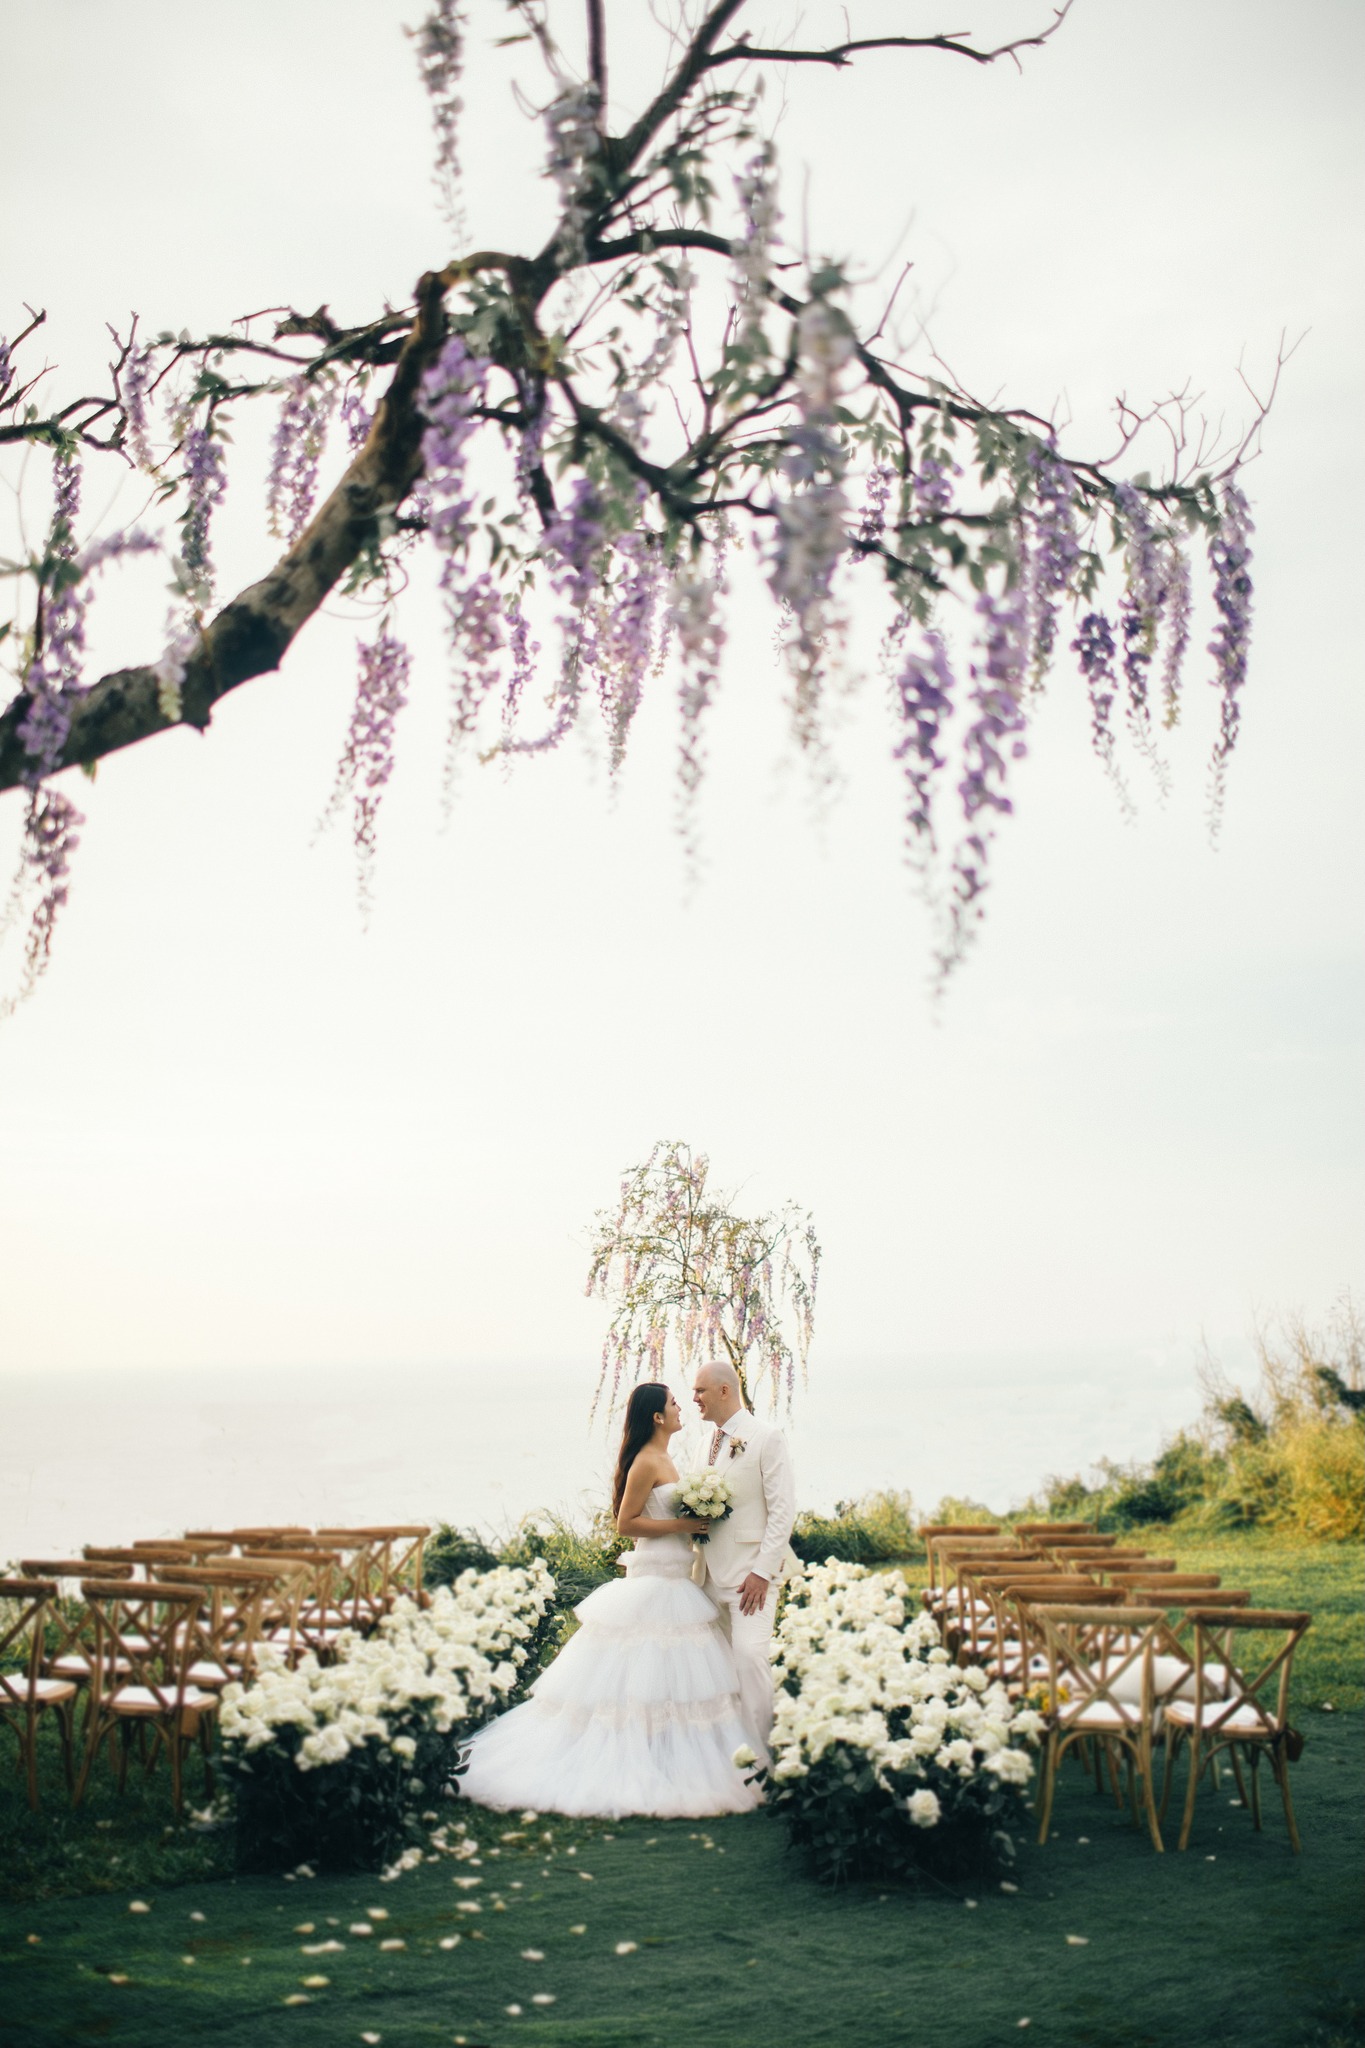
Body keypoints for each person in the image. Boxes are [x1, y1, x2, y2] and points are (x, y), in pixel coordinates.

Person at [455, 1383, 761, 1818]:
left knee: (678, 1683)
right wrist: (683, 1525)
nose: (680, 1408)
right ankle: (636, 1762)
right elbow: (626, 1523)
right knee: (639, 1680)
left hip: (678, 1578)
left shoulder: (667, 1458)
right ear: (657, 1416)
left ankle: (667, 1757)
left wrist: (695, 1524)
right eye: (674, 1403)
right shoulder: (645, 1462)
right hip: (654, 1580)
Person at [690, 1360, 797, 1763]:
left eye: (700, 1390)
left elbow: (783, 1511)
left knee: (751, 1658)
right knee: (717, 1669)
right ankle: (731, 1756)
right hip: (705, 1577)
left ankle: (768, 1758)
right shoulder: (703, 1444)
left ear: (724, 1390)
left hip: (751, 1578)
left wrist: (762, 1573)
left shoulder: (766, 1437)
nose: (694, 1398)